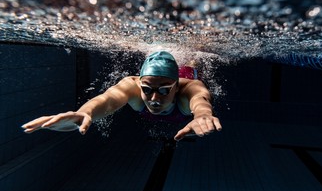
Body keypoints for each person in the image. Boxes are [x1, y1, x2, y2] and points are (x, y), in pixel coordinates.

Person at [21, 51, 222, 141]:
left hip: (184, 75)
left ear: (176, 88)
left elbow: (200, 100)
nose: (153, 99)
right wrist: (84, 112)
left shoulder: (188, 89)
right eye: (147, 89)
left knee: (192, 66)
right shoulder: (132, 86)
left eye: (163, 90)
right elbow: (109, 98)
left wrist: (202, 115)